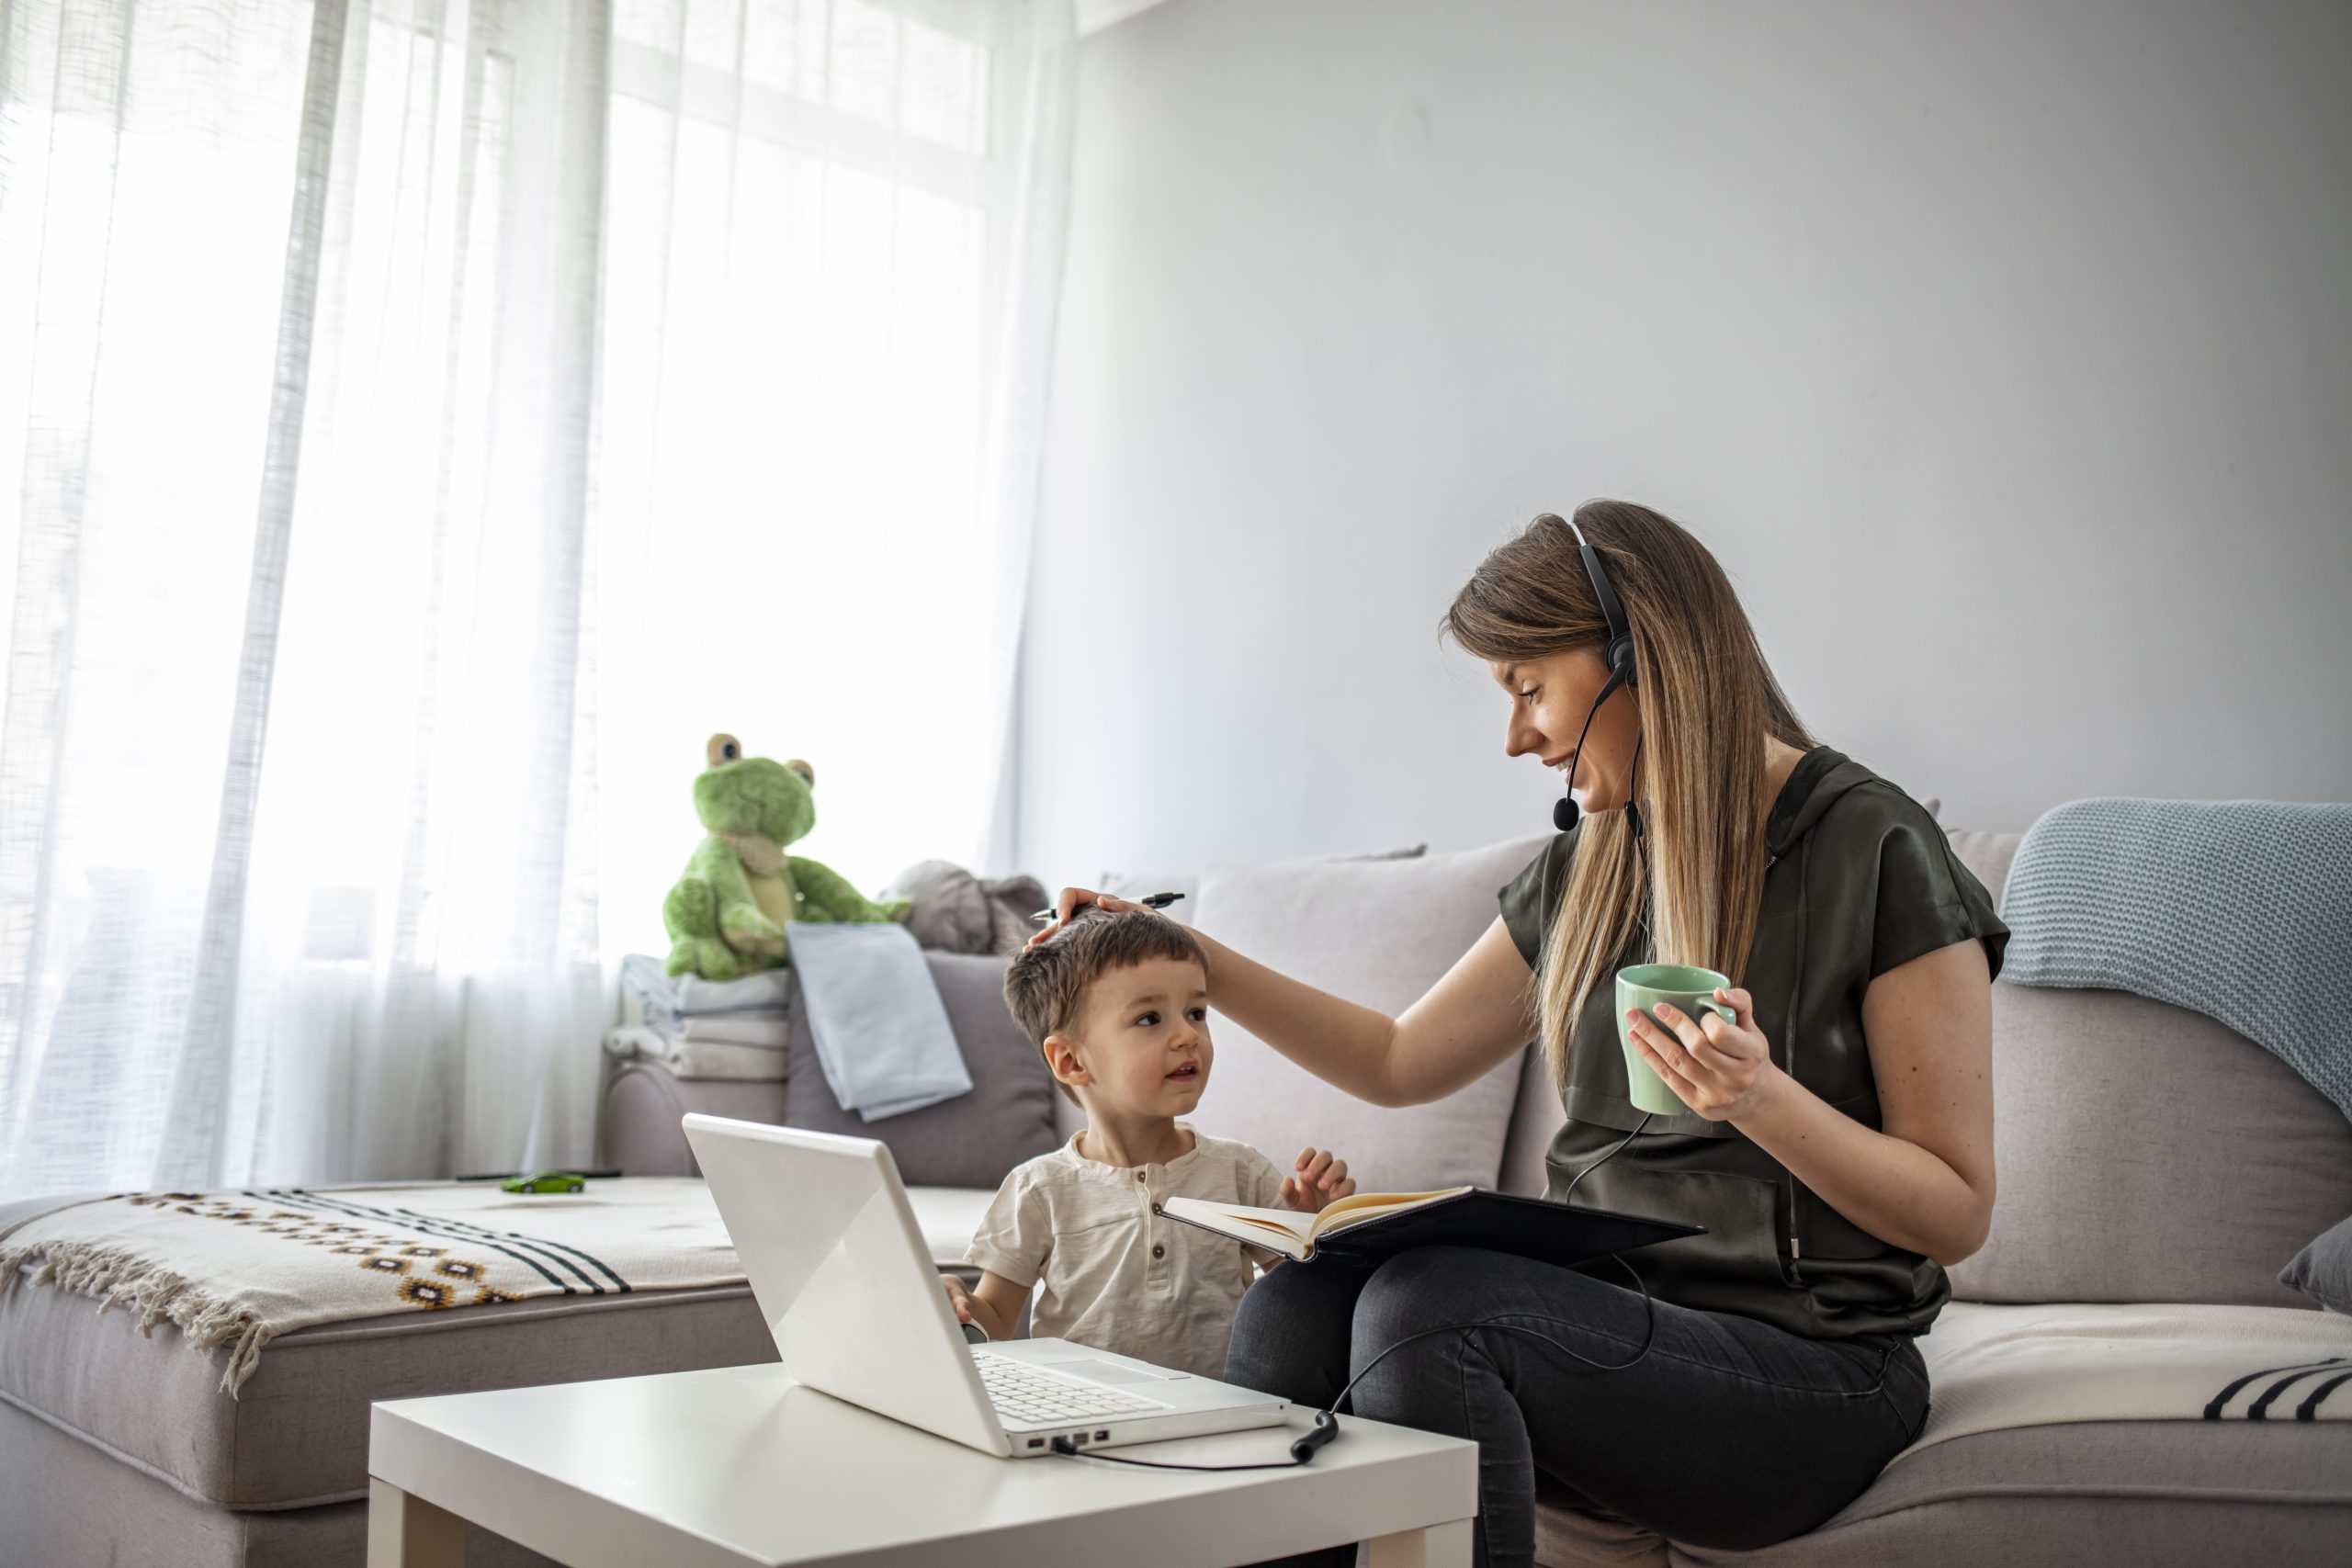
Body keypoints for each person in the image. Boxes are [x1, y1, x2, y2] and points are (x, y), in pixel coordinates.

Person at [1029, 502, 2007, 1567]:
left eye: (1530, 689)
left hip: (1815, 1376)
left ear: (1640, 655)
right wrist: (1190, 954)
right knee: (1297, 1305)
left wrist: (1759, 1101)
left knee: (1431, 1308)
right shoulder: (1595, 858)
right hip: (1611, 1329)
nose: (1517, 737)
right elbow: (1398, 1063)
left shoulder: (1875, 845)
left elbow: (1954, 1209)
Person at [942, 908, 1358, 1379]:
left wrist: (1313, 1235)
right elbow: (994, 1323)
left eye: (1196, 1013)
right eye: (1149, 1019)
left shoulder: (1240, 1172)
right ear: (1071, 1060)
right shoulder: (1038, 1189)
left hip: (1225, 1415)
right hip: (1086, 1418)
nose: (1188, 1036)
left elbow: (1293, 1316)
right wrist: (954, 1301)